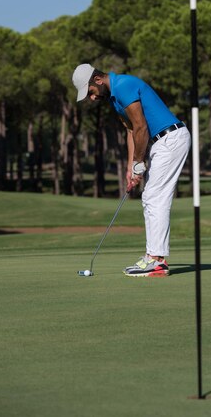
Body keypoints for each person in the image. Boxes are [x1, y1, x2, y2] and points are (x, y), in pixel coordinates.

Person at [72, 63, 191, 277]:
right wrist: (130, 167)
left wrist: (139, 163)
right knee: (151, 197)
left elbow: (141, 127)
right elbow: (130, 131)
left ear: (98, 80)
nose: (91, 98)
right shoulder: (114, 97)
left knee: (155, 197)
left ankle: (157, 261)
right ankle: (152, 256)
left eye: (90, 92)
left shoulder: (123, 86)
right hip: (160, 142)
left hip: (170, 138)